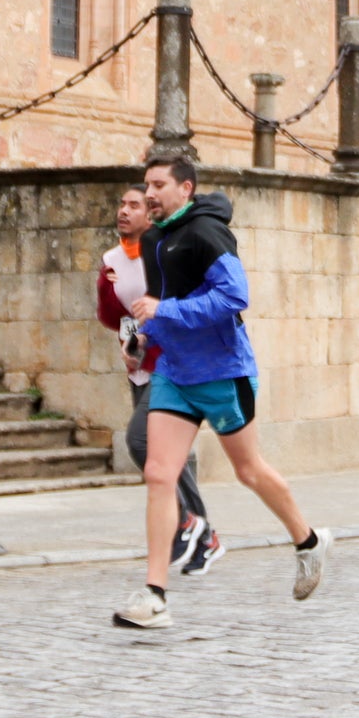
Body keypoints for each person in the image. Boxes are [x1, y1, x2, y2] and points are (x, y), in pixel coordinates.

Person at [111, 155, 330, 630]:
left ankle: (308, 541)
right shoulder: (153, 239)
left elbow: (234, 298)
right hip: (174, 371)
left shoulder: (207, 233)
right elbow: (161, 309)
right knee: (158, 473)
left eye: (158, 185)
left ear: (185, 189)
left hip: (223, 372)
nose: (149, 193)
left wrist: (164, 311)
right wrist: (144, 341)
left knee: (248, 470)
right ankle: (154, 595)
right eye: (146, 184)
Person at [95, 181, 215, 577]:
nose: (124, 210)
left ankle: (187, 522)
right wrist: (106, 289)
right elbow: (115, 317)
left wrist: (151, 343)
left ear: (149, 216)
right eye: (122, 203)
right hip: (139, 367)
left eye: (134, 204)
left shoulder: (163, 255)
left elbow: (173, 308)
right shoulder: (112, 258)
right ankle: (204, 535)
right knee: (167, 457)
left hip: (170, 365)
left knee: (141, 442)